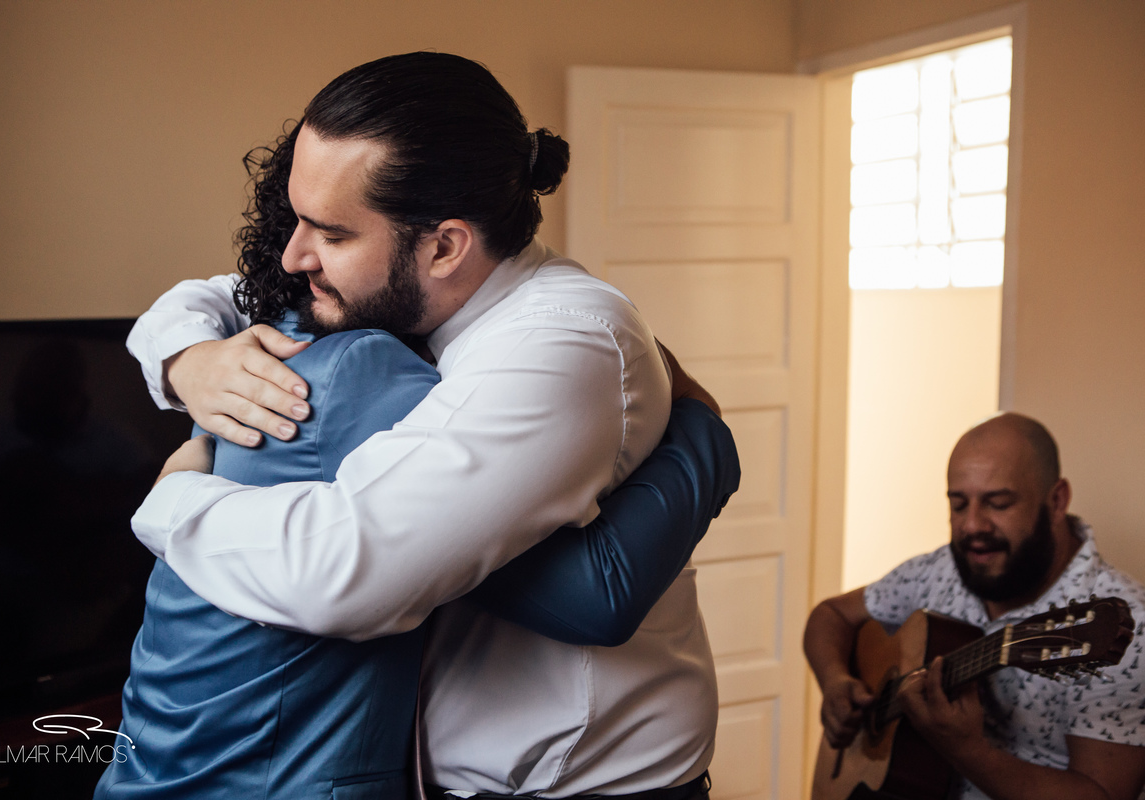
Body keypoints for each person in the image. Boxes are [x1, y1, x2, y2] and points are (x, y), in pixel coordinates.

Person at [127, 52, 725, 797]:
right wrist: (189, 359)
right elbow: (206, 295)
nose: (293, 252)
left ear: (444, 245)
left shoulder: (557, 342)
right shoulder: (405, 295)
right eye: (297, 216)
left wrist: (171, 503)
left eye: (332, 233)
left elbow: (348, 573)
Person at [97, 317, 736, 799]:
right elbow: (597, 594)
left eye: (331, 231)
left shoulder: (266, 348)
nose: (301, 254)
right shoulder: (363, 368)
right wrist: (701, 418)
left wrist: (187, 360)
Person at [804, 413, 1145, 800]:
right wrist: (834, 682)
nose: (971, 526)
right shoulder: (939, 570)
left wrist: (966, 750)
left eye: (997, 503)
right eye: (958, 504)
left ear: (1056, 501)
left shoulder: (1125, 631)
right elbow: (829, 616)